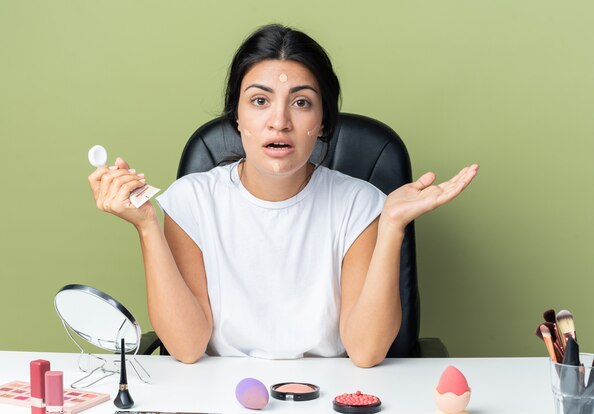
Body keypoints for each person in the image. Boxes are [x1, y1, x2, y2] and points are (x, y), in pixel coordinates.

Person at [88, 24, 478, 368]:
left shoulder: (359, 204)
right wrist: (146, 228)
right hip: (224, 396)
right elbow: (188, 348)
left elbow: (366, 351)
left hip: (330, 398)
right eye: (260, 101)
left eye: (302, 102)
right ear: (237, 116)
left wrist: (392, 226)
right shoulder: (193, 200)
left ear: (323, 121)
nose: (280, 121)